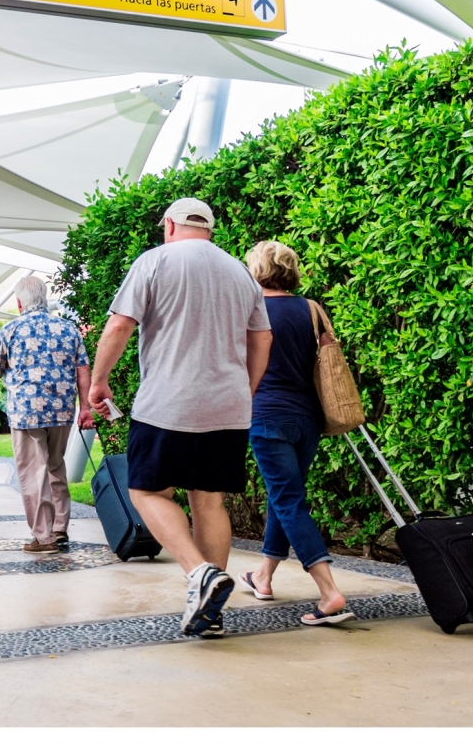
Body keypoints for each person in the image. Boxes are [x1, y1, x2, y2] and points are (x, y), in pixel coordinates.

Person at [89, 198, 273, 638]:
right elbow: (263, 337)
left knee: (146, 491)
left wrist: (98, 381)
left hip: (169, 402)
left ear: (169, 225)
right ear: (209, 229)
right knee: (208, 501)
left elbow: (118, 326)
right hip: (227, 407)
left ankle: (199, 574)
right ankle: (211, 614)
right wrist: (245, 389)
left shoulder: (155, 261)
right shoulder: (239, 272)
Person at [241, 241, 354, 625]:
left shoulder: (252, 310)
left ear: (256, 272)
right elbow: (328, 360)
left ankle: (329, 593)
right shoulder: (311, 309)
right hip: (308, 420)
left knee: (288, 500)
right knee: (284, 496)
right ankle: (264, 576)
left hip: (268, 417)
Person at [0, 276, 94, 554]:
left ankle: (44, 537)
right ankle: (60, 528)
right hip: (62, 411)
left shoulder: (10, 330)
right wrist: (85, 407)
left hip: (26, 414)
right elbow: (83, 370)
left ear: (19, 303)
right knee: (55, 466)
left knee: (33, 472)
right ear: (44, 297)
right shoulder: (68, 329)